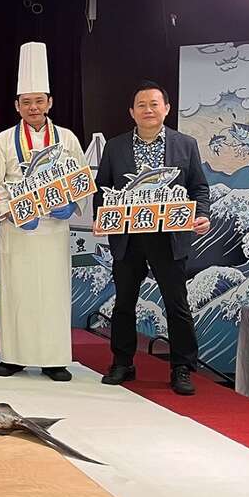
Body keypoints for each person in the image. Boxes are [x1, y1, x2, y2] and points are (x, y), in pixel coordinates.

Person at [95, 81, 211, 395]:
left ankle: (182, 367)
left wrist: (202, 214)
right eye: (141, 105)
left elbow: (199, 187)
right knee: (123, 303)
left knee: (177, 304)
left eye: (154, 104)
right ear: (132, 112)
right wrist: (101, 218)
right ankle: (122, 362)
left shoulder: (186, 144)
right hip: (128, 237)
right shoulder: (115, 147)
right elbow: (102, 188)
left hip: (169, 237)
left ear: (166, 108)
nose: (148, 110)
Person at [0, 42, 88, 382]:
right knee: (17, 293)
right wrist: (11, 212)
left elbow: (82, 179)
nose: (33, 107)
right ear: (17, 105)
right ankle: (13, 357)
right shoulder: (3, 140)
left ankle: (54, 359)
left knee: (53, 293)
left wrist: (71, 204)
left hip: (54, 230)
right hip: (18, 229)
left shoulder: (67, 139)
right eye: (26, 102)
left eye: (39, 101)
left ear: (50, 102)